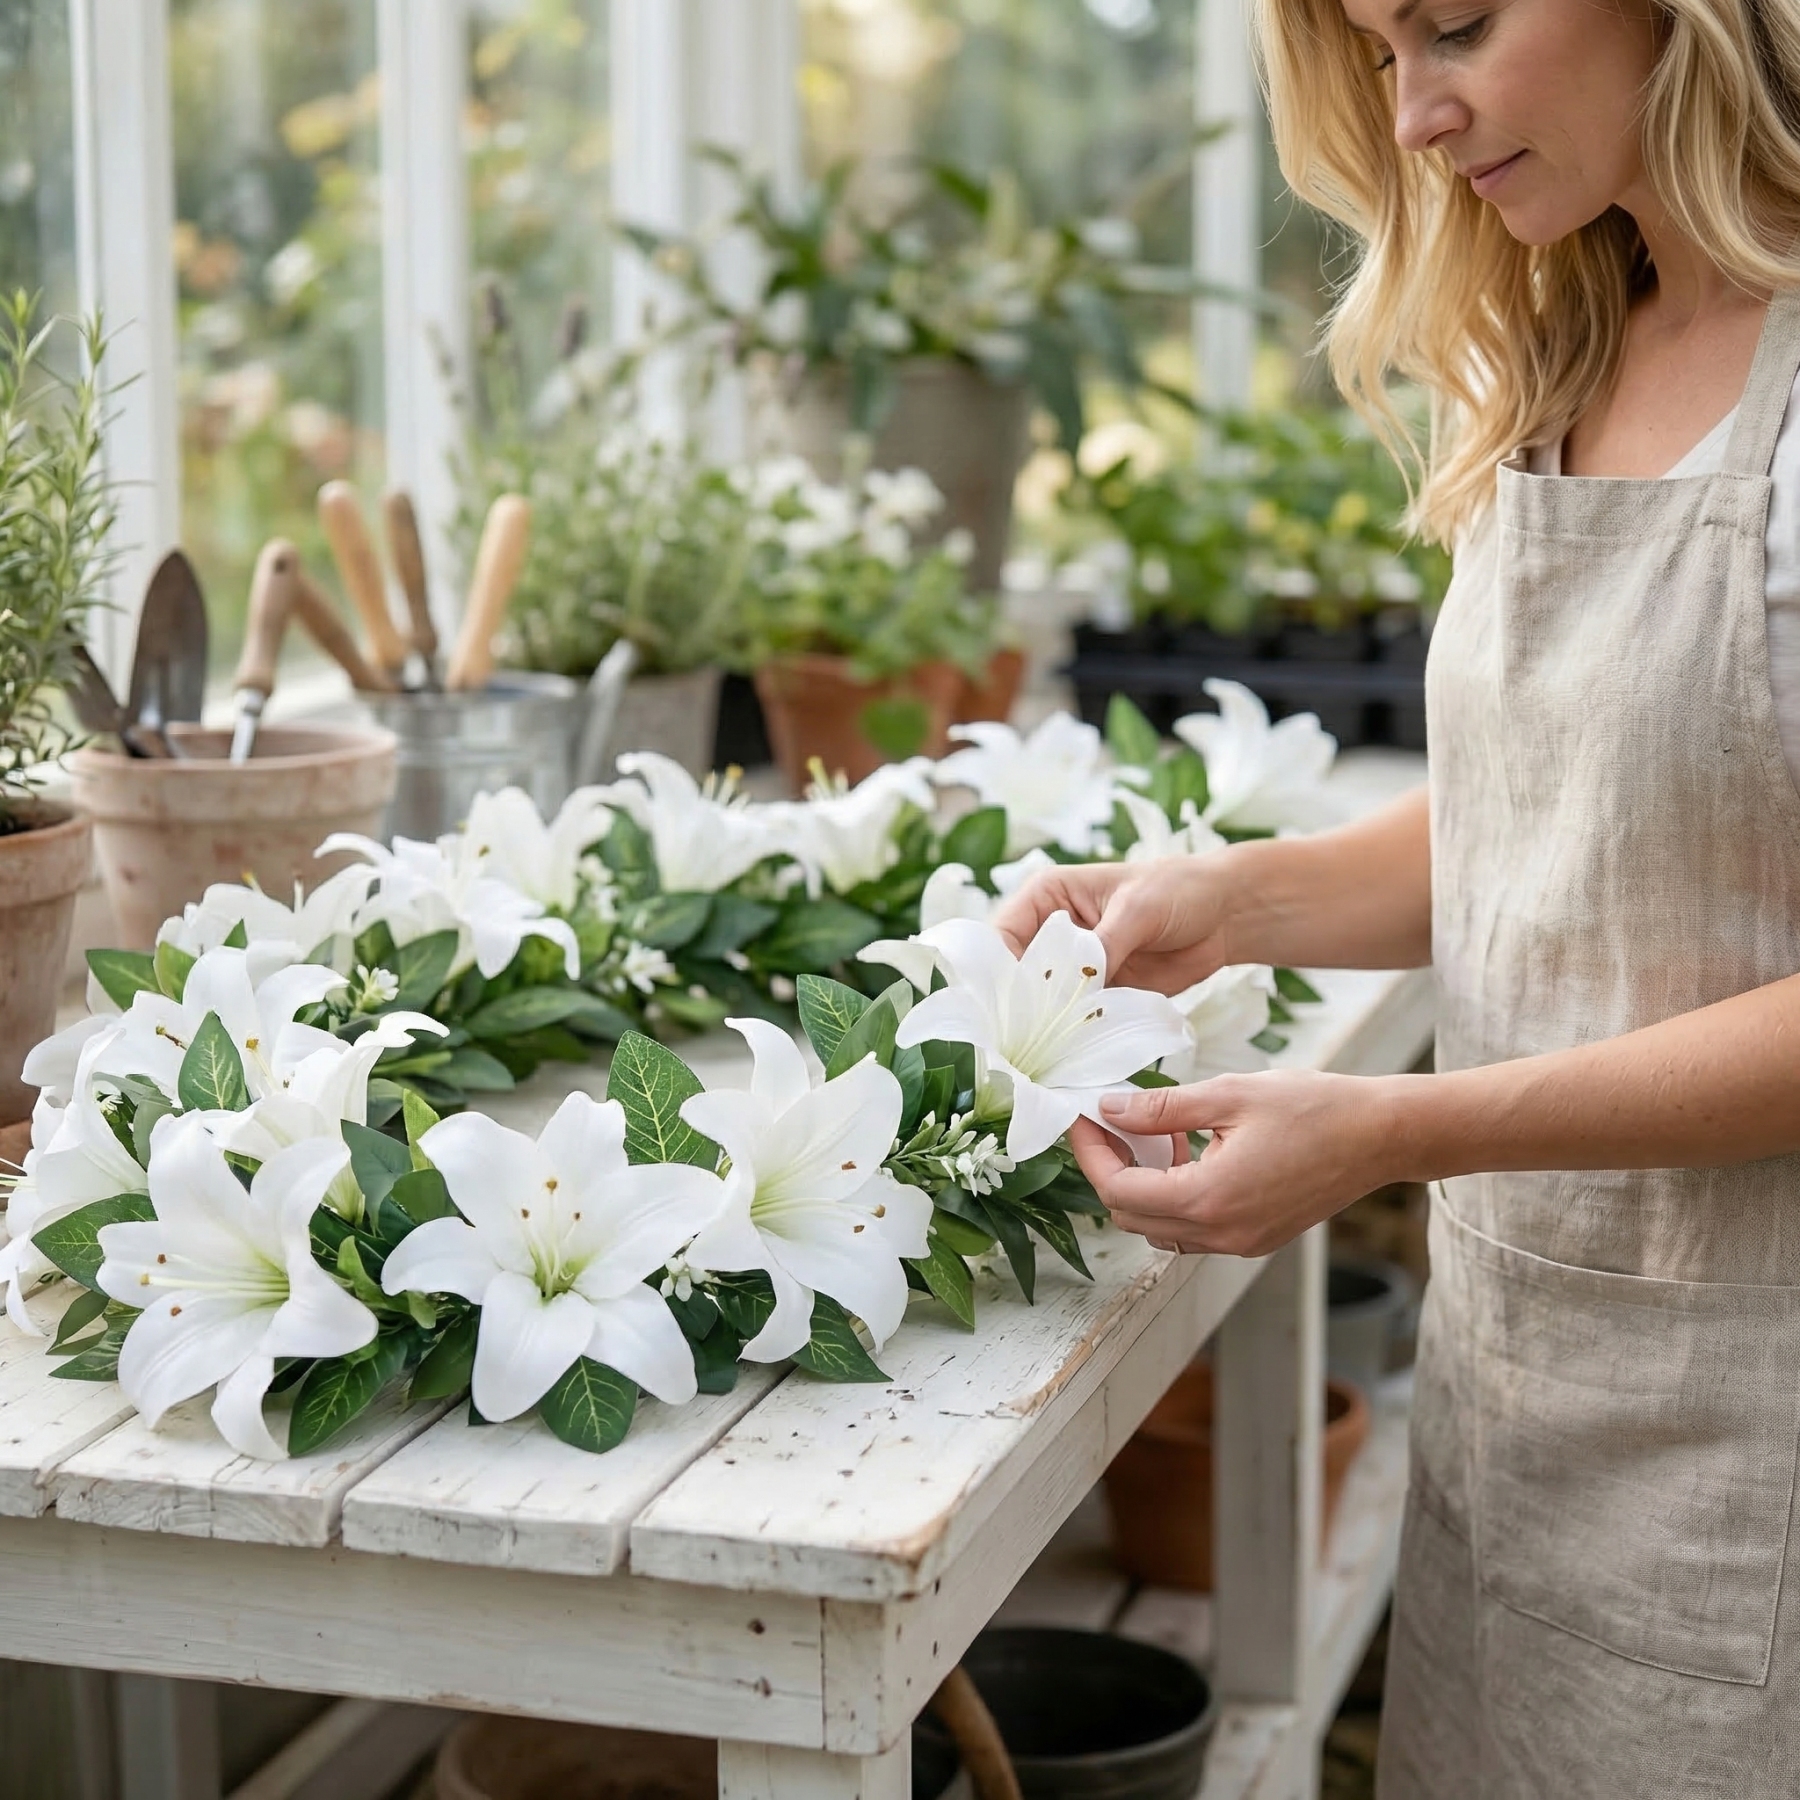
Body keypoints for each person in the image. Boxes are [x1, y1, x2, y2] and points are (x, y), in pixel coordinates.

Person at [995, 0, 1800, 1790]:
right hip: (1530, 1406)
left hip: (1756, 1452)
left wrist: (1392, 1131)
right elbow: (1574, 813)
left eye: (1452, 25)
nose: (1414, 114)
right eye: (1375, 51)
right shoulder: (1588, 335)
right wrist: (1237, 899)